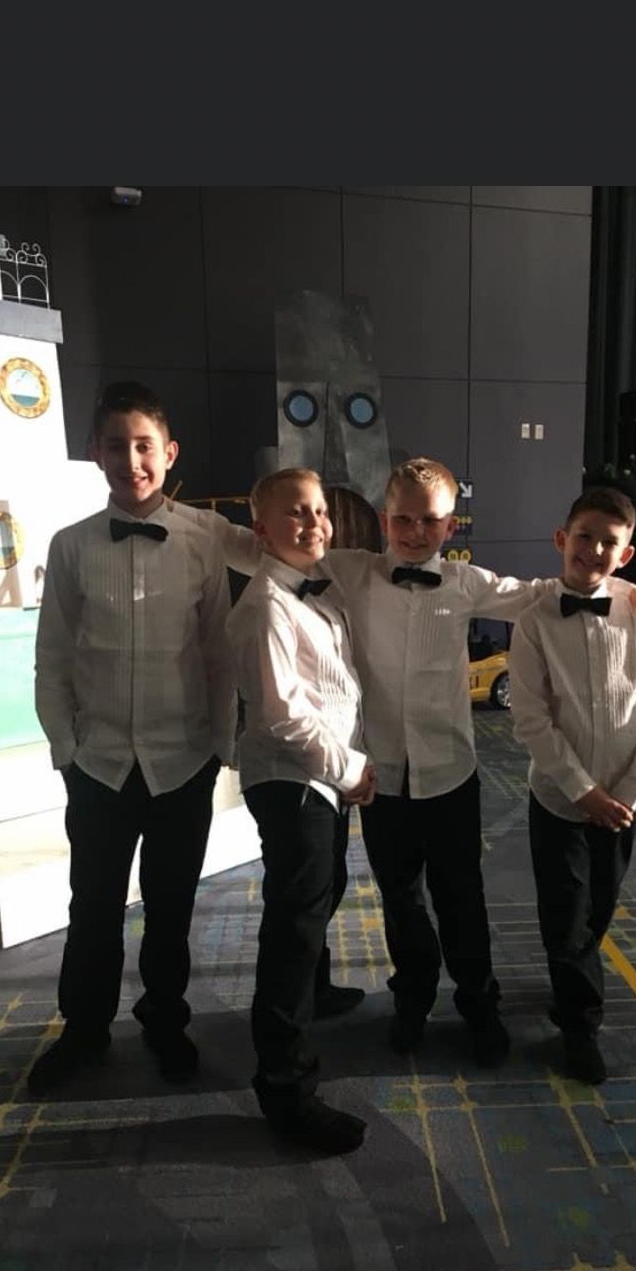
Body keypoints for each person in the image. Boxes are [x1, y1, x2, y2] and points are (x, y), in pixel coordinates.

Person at [213, 457, 636, 1061]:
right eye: (404, 519)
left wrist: (627, 592)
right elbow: (254, 548)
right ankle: (413, 1000)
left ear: (452, 526)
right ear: (382, 518)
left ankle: (479, 1006)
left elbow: (548, 593)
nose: (416, 532)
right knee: (400, 903)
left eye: (431, 521)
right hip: (382, 778)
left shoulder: (464, 582)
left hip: (451, 774)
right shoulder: (348, 571)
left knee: (462, 899)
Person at [28, 381, 236, 1094]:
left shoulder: (204, 541)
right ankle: (83, 1031)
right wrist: (65, 753)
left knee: (172, 909)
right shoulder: (71, 546)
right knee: (92, 910)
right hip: (100, 764)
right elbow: (53, 655)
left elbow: (218, 651)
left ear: (169, 452)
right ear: (95, 452)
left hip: (183, 761)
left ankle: (165, 1021)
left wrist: (220, 748)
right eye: (115, 445)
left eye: (144, 445)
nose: (131, 459)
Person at [225, 467, 375, 1154]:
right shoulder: (267, 605)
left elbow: (335, 691)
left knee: (322, 892)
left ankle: (314, 990)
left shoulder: (320, 592)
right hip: (292, 779)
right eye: (295, 514)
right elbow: (285, 716)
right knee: (294, 922)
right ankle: (284, 1086)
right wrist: (351, 770)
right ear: (261, 529)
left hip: (320, 778)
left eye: (319, 512)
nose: (314, 524)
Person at [508, 486, 636, 1084]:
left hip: (624, 801)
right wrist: (582, 790)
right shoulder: (532, 623)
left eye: (610, 542)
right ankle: (580, 1027)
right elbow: (531, 718)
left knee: (599, 906)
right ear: (562, 539)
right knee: (567, 913)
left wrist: (630, 790)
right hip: (559, 798)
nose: (595, 549)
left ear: (626, 555)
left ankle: (570, 985)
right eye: (585, 536)